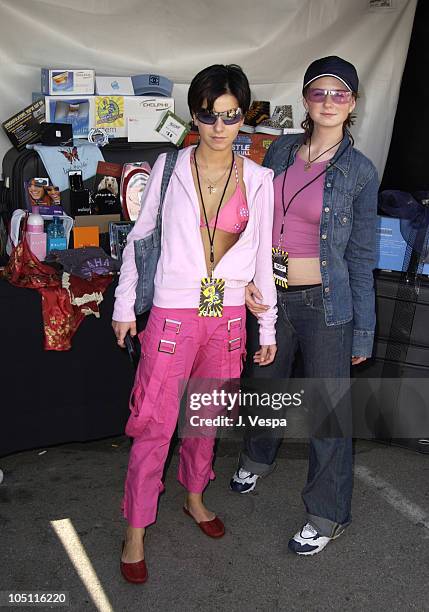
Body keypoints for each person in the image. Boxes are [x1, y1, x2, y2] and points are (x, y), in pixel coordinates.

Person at [112, 64, 277, 583]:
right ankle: (136, 528)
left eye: (231, 115)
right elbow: (141, 240)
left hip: (227, 315)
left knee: (205, 419)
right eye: (209, 115)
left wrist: (266, 327)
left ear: (243, 116)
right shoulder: (167, 168)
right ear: (195, 116)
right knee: (155, 423)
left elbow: (261, 253)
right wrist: (122, 305)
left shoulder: (259, 177)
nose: (220, 126)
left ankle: (195, 498)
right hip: (173, 313)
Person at [230, 56, 379, 556]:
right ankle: (257, 457)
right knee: (266, 387)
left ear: (353, 103)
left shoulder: (359, 171)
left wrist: (363, 331)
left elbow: (361, 255)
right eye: (320, 93)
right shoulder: (279, 151)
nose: (330, 102)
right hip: (270, 297)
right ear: (306, 100)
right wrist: (248, 279)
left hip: (325, 304)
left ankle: (327, 513)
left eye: (341, 94)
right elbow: (254, 220)